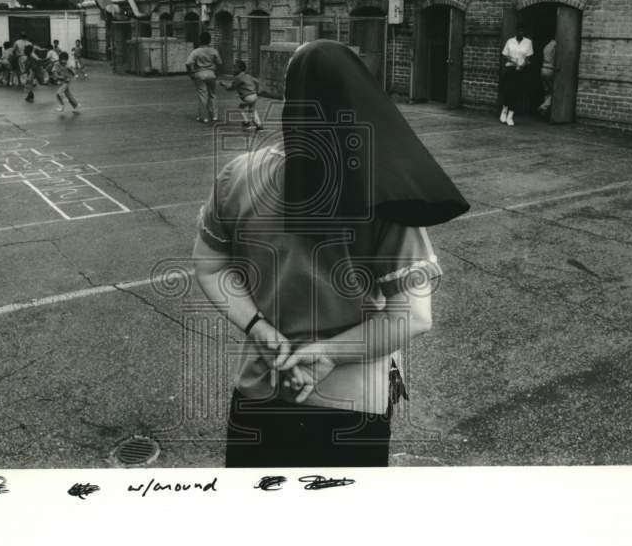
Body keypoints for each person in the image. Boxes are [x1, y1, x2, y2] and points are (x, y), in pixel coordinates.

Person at [192, 39, 470, 468]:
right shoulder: (383, 194)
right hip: (353, 402)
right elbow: (413, 315)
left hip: (261, 385)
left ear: (289, 101)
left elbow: (211, 267)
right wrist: (326, 355)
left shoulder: (239, 175)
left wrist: (260, 329)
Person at [500, 24, 534, 126]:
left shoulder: (528, 42)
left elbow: (528, 58)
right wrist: (515, 62)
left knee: (517, 92)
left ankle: (510, 116)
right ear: (516, 31)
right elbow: (505, 55)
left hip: (521, 70)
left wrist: (522, 66)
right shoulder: (510, 41)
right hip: (510, 69)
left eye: (522, 31)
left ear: (524, 32)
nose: (520, 32)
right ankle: (504, 111)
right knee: (508, 90)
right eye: (519, 30)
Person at [186, 31, 223, 123]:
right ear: (209, 40)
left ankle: (204, 117)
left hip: (200, 74)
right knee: (212, 94)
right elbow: (220, 63)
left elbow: (188, 63)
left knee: (203, 95)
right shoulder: (214, 51)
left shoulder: (196, 52)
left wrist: (191, 73)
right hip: (211, 73)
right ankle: (215, 116)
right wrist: (216, 73)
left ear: (200, 40)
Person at [220, 59, 262, 131]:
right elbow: (257, 82)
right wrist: (257, 91)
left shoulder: (238, 78)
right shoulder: (248, 76)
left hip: (247, 97)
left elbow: (231, 88)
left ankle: (246, 122)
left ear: (240, 69)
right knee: (252, 109)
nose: (232, 69)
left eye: (234, 68)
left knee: (241, 108)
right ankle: (258, 124)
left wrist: (224, 85)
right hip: (254, 95)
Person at [538, 37, 556, 116]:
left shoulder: (547, 46)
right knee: (555, 91)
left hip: (543, 69)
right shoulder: (556, 46)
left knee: (547, 92)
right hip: (550, 69)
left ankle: (545, 113)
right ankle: (544, 106)